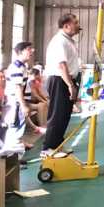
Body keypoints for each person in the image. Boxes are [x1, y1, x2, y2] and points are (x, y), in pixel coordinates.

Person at [42, 13, 82, 158]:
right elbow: (62, 65)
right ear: (66, 26)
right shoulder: (59, 41)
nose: (78, 25)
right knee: (57, 114)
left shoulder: (69, 40)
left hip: (67, 80)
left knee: (64, 115)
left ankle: (57, 145)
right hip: (60, 80)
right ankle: (48, 148)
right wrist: (70, 85)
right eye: (75, 23)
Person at [0, 42, 36, 156]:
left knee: (17, 127)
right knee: (14, 128)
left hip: (16, 101)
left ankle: (15, 154)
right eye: (29, 49)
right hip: (14, 102)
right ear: (20, 52)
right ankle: (12, 156)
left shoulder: (22, 66)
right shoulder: (16, 67)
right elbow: (17, 88)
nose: (32, 51)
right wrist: (23, 105)